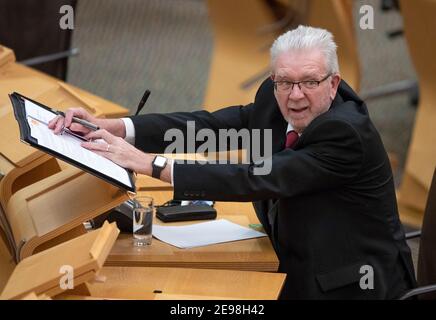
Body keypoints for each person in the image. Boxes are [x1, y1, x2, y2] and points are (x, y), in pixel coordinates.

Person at [49, 25, 416, 299]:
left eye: (309, 83)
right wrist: (117, 127)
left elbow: (259, 176)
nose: (296, 95)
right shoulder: (275, 101)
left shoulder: (346, 134)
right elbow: (211, 127)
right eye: (285, 82)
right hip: (289, 260)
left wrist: (151, 164)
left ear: (333, 84)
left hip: (348, 287)